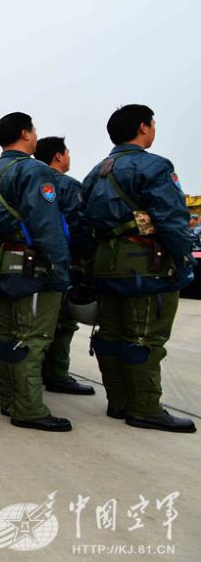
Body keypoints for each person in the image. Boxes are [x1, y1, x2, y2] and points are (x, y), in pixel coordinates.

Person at [81, 104, 196, 432]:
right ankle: (145, 407)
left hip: (107, 264)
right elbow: (172, 219)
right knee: (144, 337)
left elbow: (82, 221)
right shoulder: (154, 166)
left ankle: (118, 401)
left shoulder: (96, 171)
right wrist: (182, 258)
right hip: (145, 263)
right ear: (144, 127)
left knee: (111, 335)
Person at [0, 112, 71, 432]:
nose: (36, 135)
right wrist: (60, 268)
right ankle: (29, 408)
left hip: (4, 262)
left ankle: (10, 398)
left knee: (7, 336)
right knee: (31, 340)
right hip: (32, 265)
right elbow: (46, 225)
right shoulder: (33, 170)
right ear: (25, 133)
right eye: (34, 130)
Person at [31, 137, 95, 396]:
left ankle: (34, 374)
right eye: (67, 152)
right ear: (58, 156)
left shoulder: (29, 182)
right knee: (64, 320)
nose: (69, 157)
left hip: (31, 261)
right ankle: (56, 373)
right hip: (65, 260)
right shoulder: (68, 186)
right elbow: (79, 225)